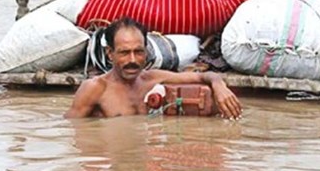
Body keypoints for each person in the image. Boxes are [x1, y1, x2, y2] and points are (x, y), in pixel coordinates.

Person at [64, 17, 242, 120]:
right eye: (124, 53)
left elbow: (205, 76)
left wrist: (219, 86)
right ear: (110, 54)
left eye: (138, 52)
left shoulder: (152, 79)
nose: (132, 60)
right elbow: (75, 131)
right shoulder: (95, 88)